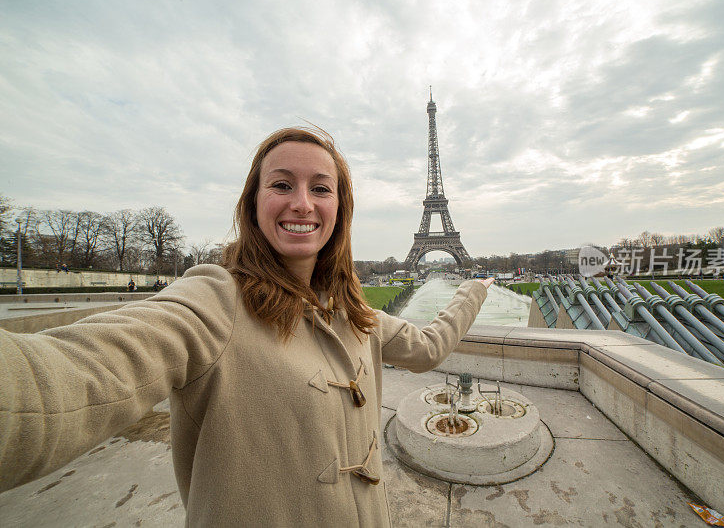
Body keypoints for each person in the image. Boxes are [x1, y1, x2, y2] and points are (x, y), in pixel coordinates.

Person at [0, 127, 492, 526]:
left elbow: (428, 347)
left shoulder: (353, 312)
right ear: (252, 205)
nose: (302, 202)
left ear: (339, 209)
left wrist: (475, 289)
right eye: (282, 185)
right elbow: (64, 378)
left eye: (321, 188)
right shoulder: (214, 300)